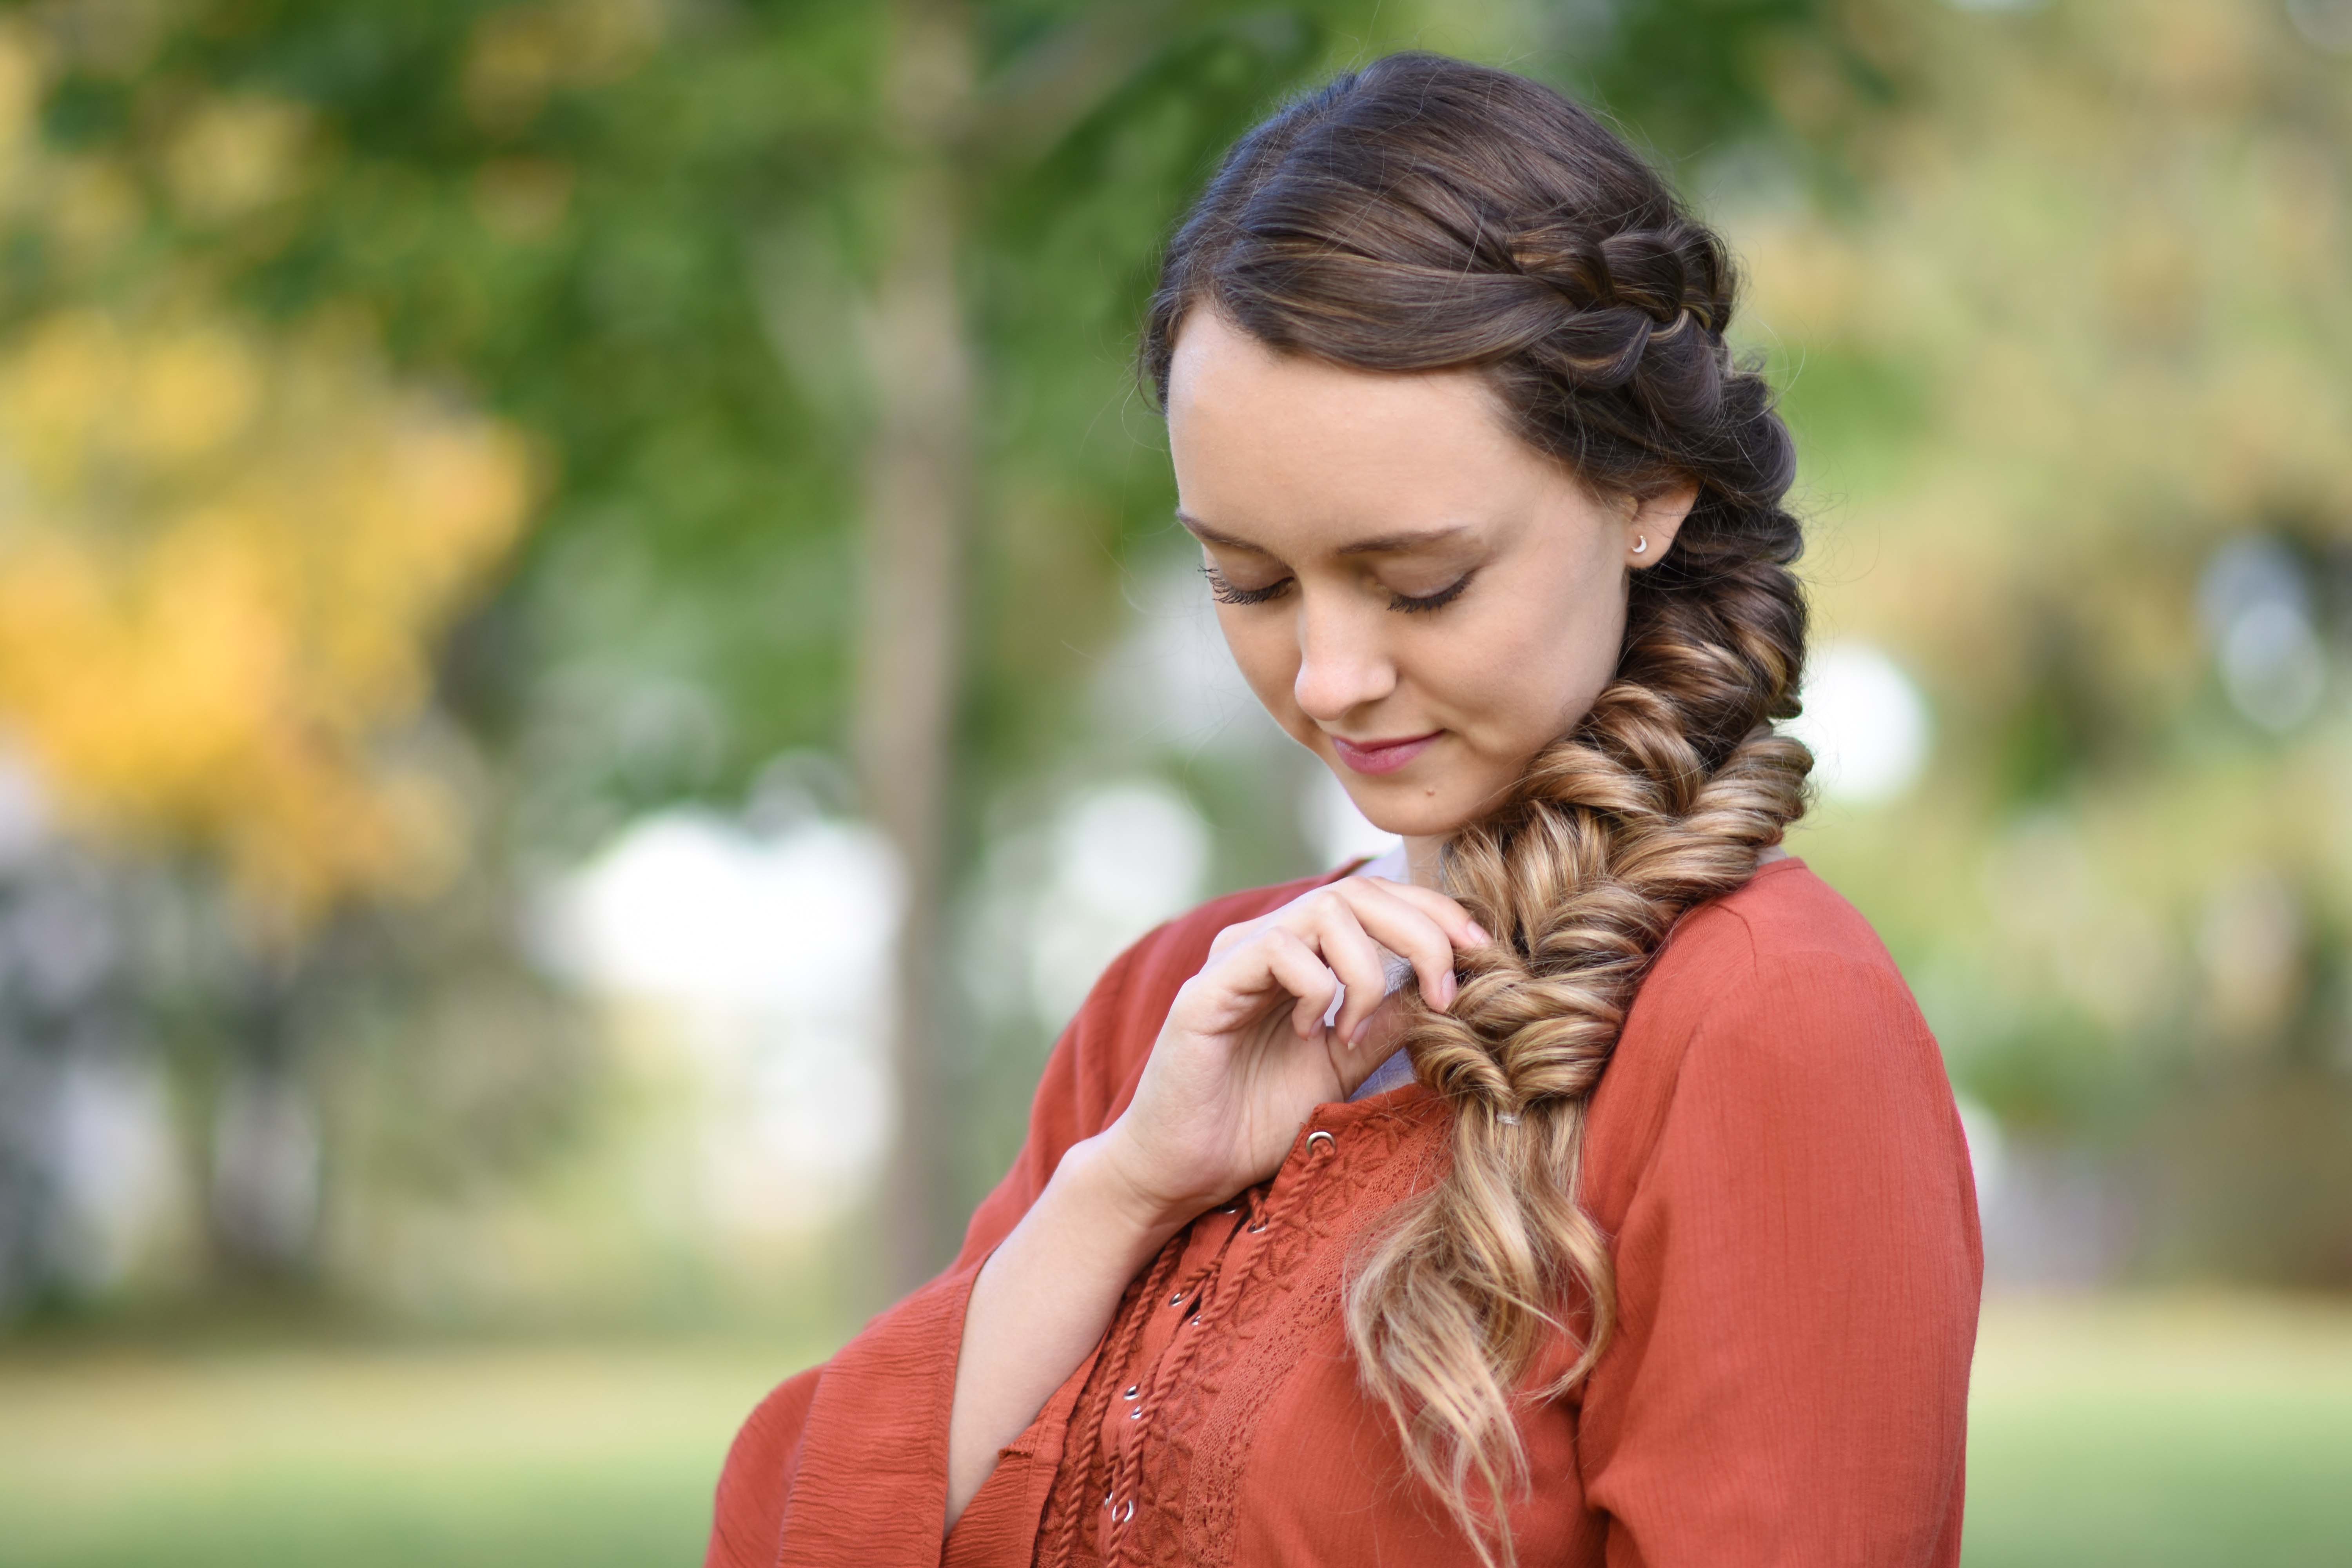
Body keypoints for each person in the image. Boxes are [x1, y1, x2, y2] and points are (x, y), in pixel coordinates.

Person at [707, 52, 1980, 1568]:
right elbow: (788, 1538)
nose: (1327, 675)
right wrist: (1121, 1189)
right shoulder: (1171, 1013)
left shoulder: (1767, 1026)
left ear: (1648, 491)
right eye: (1246, 581)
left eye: (1421, 581)